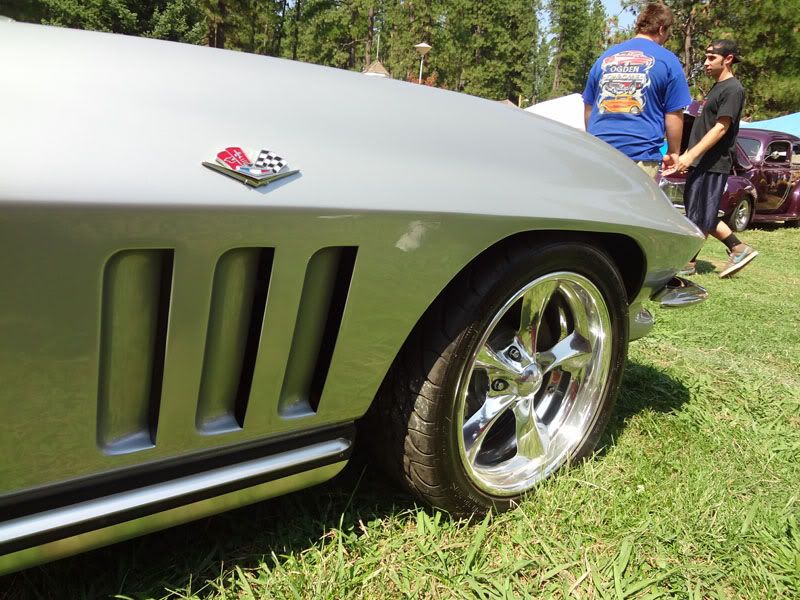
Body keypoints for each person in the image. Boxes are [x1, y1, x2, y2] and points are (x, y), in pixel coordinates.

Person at [663, 39, 757, 278]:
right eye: (705, 57)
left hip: (714, 162)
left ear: (728, 59)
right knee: (701, 210)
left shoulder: (733, 89)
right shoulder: (717, 88)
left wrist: (691, 155)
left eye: (711, 58)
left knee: (701, 213)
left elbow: (721, 128)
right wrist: (684, 155)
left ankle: (689, 261)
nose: (705, 63)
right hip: (701, 161)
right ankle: (738, 248)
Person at [583, 2, 691, 178]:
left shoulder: (605, 58)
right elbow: (673, 115)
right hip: (640, 156)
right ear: (662, 29)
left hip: (599, 153)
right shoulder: (668, 61)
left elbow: (589, 108)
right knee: (635, 206)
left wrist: (594, 140)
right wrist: (673, 152)